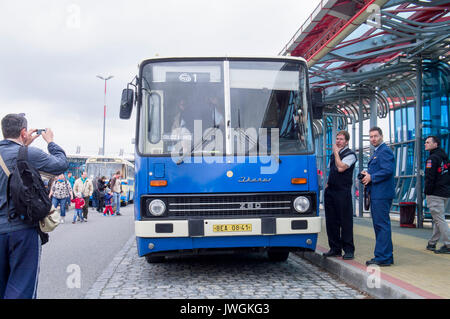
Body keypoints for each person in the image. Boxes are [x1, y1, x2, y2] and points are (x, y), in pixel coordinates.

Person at [0, 113, 68, 299]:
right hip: (22, 230)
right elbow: (61, 165)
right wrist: (51, 142)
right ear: (24, 132)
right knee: (21, 287)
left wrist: (23, 143)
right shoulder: (29, 154)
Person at [361, 127, 395, 266]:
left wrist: (371, 177)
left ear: (381, 136)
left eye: (375, 136)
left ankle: (383, 257)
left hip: (381, 194)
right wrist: (367, 174)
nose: (373, 139)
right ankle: (386, 255)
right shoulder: (378, 152)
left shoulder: (384, 150)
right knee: (381, 225)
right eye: (371, 137)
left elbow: (388, 170)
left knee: (381, 225)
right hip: (377, 193)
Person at [323, 131, 357, 260]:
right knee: (331, 221)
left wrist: (336, 153)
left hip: (342, 192)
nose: (338, 141)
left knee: (345, 221)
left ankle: (348, 250)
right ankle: (335, 248)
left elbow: (341, 167)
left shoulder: (350, 155)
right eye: (337, 139)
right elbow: (331, 170)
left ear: (347, 141)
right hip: (331, 191)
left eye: (341, 139)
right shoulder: (333, 155)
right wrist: (327, 184)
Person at [424, 136, 450, 254]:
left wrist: (427, 192)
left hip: (435, 193)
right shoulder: (445, 158)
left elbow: (430, 178)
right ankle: (432, 242)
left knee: (439, 219)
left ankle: (448, 244)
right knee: (438, 218)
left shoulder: (432, 159)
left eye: (428, 142)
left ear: (436, 144)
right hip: (445, 193)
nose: (425, 144)